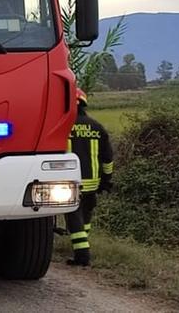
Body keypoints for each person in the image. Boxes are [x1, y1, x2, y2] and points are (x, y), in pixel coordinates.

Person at [65, 88, 115, 266]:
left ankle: (82, 255)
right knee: (85, 217)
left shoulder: (63, 126)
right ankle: (83, 245)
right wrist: (106, 180)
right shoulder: (97, 127)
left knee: (74, 218)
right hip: (93, 183)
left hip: (70, 182)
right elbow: (107, 158)